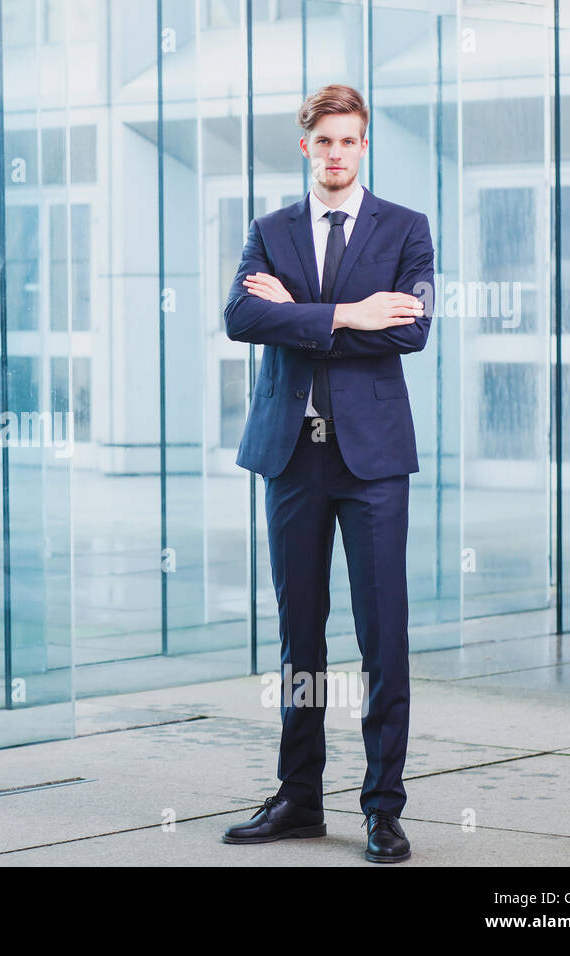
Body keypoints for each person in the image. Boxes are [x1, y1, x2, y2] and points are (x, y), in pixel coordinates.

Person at [219, 83, 433, 863]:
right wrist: (347, 313)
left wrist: (299, 313)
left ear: (364, 145)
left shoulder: (407, 228)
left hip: (372, 463)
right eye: (325, 141)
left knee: (384, 636)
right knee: (298, 638)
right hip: (291, 456)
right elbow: (242, 318)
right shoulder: (269, 231)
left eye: (350, 140)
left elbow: (409, 333)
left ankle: (383, 807)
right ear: (304, 146)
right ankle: (300, 798)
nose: (337, 153)